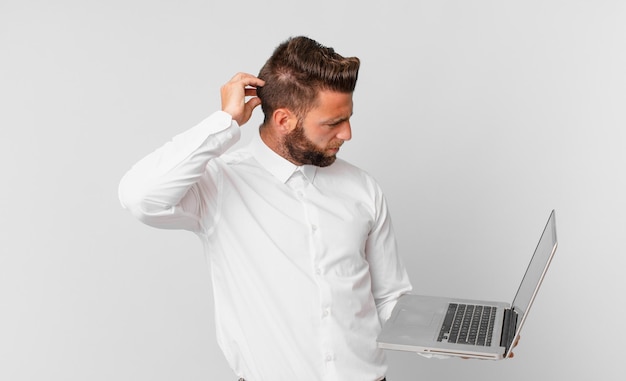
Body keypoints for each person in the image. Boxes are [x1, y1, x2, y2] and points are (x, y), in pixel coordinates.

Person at [118, 36, 413, 381]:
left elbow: (390, 295)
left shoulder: (363, 188)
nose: (347, 134)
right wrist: (225, 121)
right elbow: (139, 196)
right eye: (333, 123)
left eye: (348, 118)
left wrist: (444, 336)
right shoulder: (219, 184)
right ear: (284, 120)